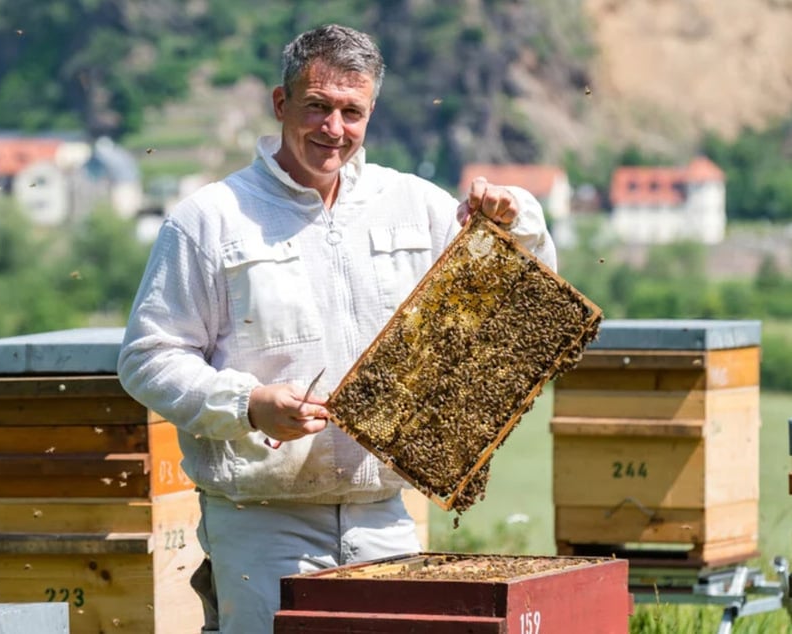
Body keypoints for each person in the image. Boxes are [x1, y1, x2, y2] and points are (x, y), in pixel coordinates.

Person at [118, 23, 557, 633]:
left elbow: (522, 302)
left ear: (371, 111)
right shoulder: (210, 219)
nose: (333, 129)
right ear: (281, 103)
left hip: (383, 515)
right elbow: (148, 356)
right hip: (260, 522)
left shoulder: (415, 205)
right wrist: (249, 404)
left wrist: (515, 220)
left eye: (352, 111)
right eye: (317, 107)